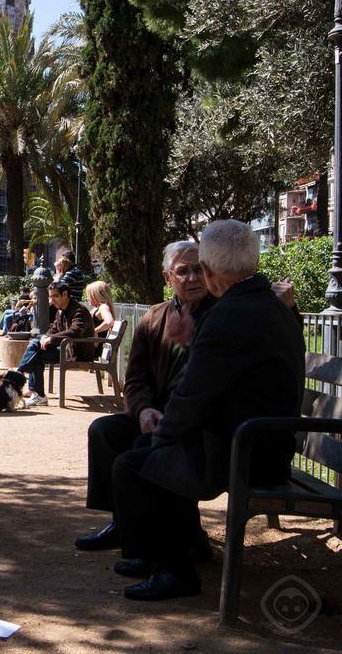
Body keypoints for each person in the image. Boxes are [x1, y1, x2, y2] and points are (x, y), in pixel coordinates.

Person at [112, 220, 304, 600]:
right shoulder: (269, 305)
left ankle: (174, 572)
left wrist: (163, 435)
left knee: (139, 463)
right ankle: (166, 553)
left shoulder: (229, 316)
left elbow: (194, 395)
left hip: (249, 451)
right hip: (264, 441)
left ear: (211, 272)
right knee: (152, 453)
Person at [74, 242, 215, 555]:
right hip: (157, 413)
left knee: (148, 449)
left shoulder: (220, 315)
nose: (192, 278)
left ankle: (182, 535)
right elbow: (136, 377)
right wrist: (142, 410)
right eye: (183, 271)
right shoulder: (155, 318)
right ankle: (121, 522)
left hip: (196, 421)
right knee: (104, 431)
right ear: (168, 278)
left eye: (198, 270)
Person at [16, 281, 95, 406]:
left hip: (77, 353)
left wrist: (51, 339)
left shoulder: (79, 310)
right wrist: (46, 337)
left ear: (65, 294)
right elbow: (54, 328)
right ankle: (32, 388)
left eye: (55, 296)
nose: (52, 300)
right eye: (50, 296)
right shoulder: (61, 310)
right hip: (66, 348)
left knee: (37, 355)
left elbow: (75, 331)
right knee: (36, 344)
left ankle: (21, 378)